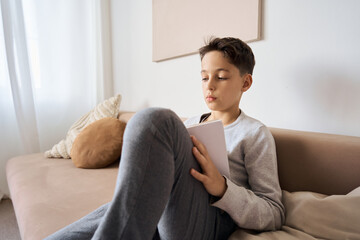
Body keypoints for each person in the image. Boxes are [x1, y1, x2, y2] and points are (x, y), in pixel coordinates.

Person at [45, 37, 285, 240]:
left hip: (210, 220)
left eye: (221, 77)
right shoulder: (189, 125)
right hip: (170, 208)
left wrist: (222, 188)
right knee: (120, 206)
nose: (209, 86)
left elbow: (274, 212)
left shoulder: (254, 133)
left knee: (157, 120)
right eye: (204, 77)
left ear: (245, 82)